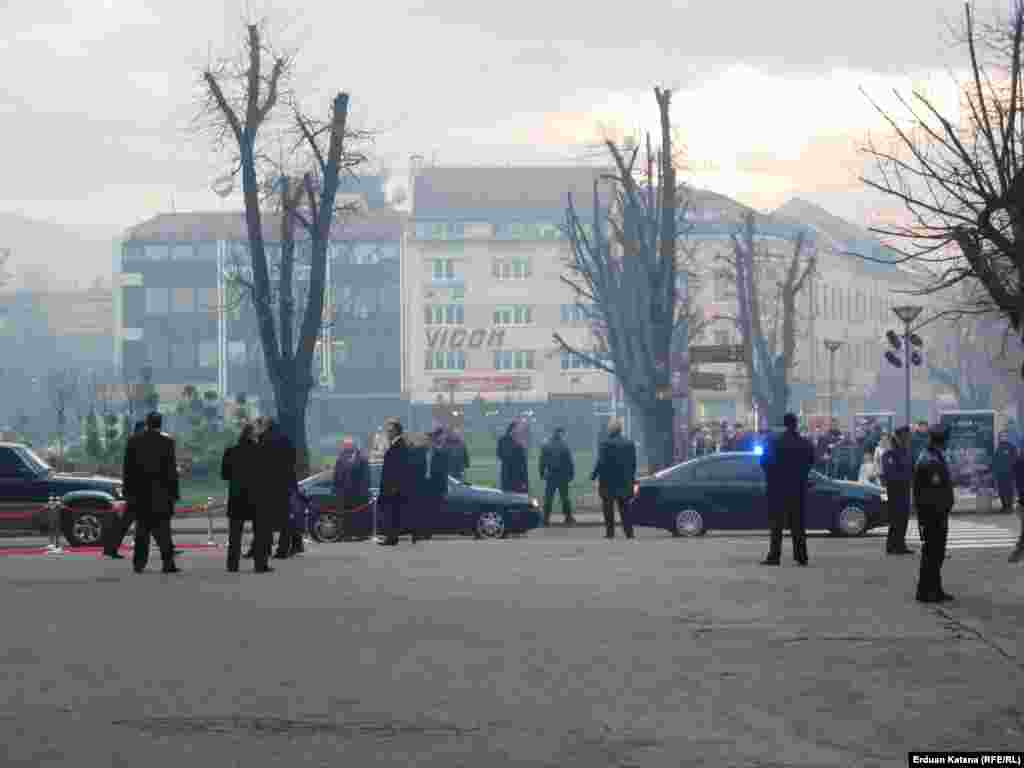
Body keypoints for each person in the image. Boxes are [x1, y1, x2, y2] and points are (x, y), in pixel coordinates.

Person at [122, 411, 179, 574]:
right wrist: (174, 494)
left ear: (146, 423)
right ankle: (168, 564)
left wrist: (128, 493)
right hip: (162, 494)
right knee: (164, 532)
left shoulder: (133, 442)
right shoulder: (167, 442)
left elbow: (128, 470)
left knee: (141, 531)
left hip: (140, 495)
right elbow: (171, 472)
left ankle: (139, 564)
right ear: (160, 424)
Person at [759, 412, 815, 566]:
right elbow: (811, 463)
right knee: (798, 523)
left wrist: (773, 477)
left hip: (778, 488)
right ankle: (801, 556)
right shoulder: (806, 443)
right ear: (796, 424)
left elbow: (764, 463)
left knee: (776, 524)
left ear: (784, 424)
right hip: (798, 488)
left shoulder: (774, 442)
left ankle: (774, 556)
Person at [913, 424, 955, 602]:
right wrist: (942, 510)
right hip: (934, 515)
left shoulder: (932, 456)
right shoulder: (931, 461)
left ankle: (934, 589)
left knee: (935, 554)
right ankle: (926, 591)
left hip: (934, 514)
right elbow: (933, 492)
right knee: (933, 554)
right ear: (942, 441)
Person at [222, 423, 271, 573]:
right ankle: (260, 565)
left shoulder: (230, 451)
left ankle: (232, 565)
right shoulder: (261, 451)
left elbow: (225, 475)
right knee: (260, 533)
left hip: (237, 497)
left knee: (235, 535)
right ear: (252, 435)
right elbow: (267, 476)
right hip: (257, 497)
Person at [258, 417, 299, 560]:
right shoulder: (285, 438)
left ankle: (267, 548)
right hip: (285, 483)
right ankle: (286, 548)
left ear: (266, 426)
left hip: (269, 484)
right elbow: (293, 459)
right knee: (285, 518)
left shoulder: (263, 439)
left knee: (266, 519)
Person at [103, 420, 145, 559]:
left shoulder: (133, 443)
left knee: (127, 522)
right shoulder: (137, 445)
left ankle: (110, 548)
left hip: (134, 490)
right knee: (128, 522)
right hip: (136, 491)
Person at [591, 418, 637, 539]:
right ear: (621, 429)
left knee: (608, 508)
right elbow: (633, 464)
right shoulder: (629, 443)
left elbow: (601, 462)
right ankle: (629, 532)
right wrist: (632, 478)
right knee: (625, 509)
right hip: (624, 481)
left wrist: (593, 476)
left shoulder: (605, 443)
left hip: (608, 481)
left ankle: (610, 533)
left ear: (610, 429)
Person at [882, 426, 914, 555]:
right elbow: (890, 474)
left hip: (905, 490)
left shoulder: (907, 452)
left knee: (903, 519)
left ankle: (900, 544)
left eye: (908, 436)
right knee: (895, 519)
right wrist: (905, 478)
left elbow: (911, 470)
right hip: (895, 491)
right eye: (906, 436)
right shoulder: (889, 453)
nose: (908, 439)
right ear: (899, 437)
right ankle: (892, 546)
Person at [378, 418, 411, 546]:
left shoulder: (400, 446)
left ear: (396, 431)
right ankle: (391, 536)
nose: (388, 433)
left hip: (393, 487)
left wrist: (395, 486)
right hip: (391, 486)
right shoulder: (395, 445)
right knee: (390, 513)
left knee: (392, 513)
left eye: (390, 430)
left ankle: (391, 537)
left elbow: (399, 468)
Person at [333, 437, 371, 540]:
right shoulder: (340, 458)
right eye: (345, 445)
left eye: (348, 445)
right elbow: (336, 475)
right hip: (344, 493)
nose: (346, 447)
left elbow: (366, 476)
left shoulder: (362, 458)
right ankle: (347, 534)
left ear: (353, 446)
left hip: (358, 493)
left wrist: (364, 489)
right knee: (346, 516)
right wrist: (336, 489)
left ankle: (361, 534)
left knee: (359, 515)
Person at [417, 426, 450, 542]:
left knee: (432, 510)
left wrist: (444, 488)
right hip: (423, 485)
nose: (429, 441)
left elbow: (443, 471)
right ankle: (422, 532)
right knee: (422, 510)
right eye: (428, 439)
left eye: (431, 439)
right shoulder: (421, 451)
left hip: (436, 485)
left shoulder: (441, 452)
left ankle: (429, 532)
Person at [539, 427, 575, 526]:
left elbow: (542, 461)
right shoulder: (564, 445)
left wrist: (542, 473)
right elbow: (569, 462)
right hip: (563, 476)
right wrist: (571, 474)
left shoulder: (546, 445)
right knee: (565, 497)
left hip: (551, 475)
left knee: (548, 498)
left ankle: (545, 519)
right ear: (561, 434)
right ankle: (568, 518)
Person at [497, 421, 529, 493]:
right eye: (518, 429)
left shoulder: (517, 441)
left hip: (514, 475)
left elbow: (523, 463)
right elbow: (500, 454)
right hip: (511, 475)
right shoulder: (506, 441)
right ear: (513, 429)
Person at [993, 432, 1017, 514]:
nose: (1003, 437)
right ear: (999, 438)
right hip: (1000, 474)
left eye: (1004, 436)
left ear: (1007, 437)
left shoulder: (1011, 447)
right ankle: (1004, 507)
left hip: (1009, 474)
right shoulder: (998, 448)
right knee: (1001, 491)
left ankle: (1009, 508)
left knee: (1009, 491)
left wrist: (1011, 470)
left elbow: (1014, 460)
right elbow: (996, 460)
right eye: (1001, 436)